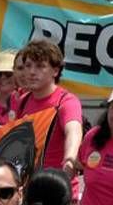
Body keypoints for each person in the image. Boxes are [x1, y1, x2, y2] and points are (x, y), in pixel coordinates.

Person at [13, 39, 83, 184]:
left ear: (55, 71)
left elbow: (74, 130)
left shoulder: (66, 101)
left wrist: (70, 159)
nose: (32, 72)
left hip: (58, 187)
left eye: (40, 66)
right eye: (28, 66)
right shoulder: (23, 101)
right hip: (29, 187)